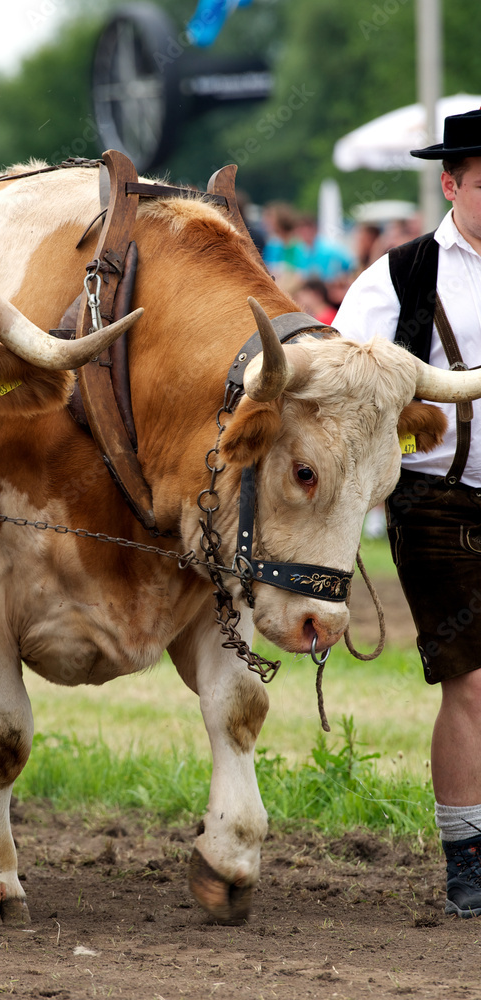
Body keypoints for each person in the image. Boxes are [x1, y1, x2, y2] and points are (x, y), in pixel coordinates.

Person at [333, 108, 481, 919]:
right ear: (451, 184)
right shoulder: (400, 276)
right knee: (472, 682)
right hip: (438, 503)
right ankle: (468, 862)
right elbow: (337, 372)